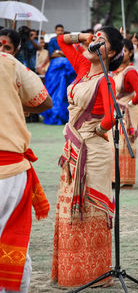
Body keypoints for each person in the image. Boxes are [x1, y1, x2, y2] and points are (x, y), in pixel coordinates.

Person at [51, 26, 124, 288]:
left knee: (89, 208)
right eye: (95, 37)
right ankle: (73, 273)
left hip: (93, 150)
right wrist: (83, 38)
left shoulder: (107, 79)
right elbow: (59, 40)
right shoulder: (83, 66)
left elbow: (111, 117)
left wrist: (99, 130)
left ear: (112, 52)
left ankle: (93, 275)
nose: (95, 42)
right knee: (71, 206)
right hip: (72, 150)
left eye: (101, 41)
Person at [0, 50, 52, 293]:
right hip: (10, 170)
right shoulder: (8, 62)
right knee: (14, 242)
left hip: (10, 166)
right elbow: (44, 101)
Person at [111, 38, 138, 186]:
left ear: (131, 53)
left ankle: (124, 179)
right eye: (119, 51)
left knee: (123, 144)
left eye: (124, 51)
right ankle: (114, 178)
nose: (121, 53)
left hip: (125, 114)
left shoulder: (129, 72)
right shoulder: (115, 70)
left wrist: (128, 105)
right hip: (114, 112)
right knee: (113, 145)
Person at [42, 25, 76, 125]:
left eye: (62, 30)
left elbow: (70, 53)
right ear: (55, 31)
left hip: (66, 68)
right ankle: (53, 114)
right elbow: (51, 54)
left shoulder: (67, 40)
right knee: (53, 90)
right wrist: (61, 53)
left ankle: (65, 115)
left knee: (66, 92)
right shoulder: (52, 41)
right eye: (58, 30)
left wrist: (59, 53)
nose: (60, 32)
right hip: (55, 69)